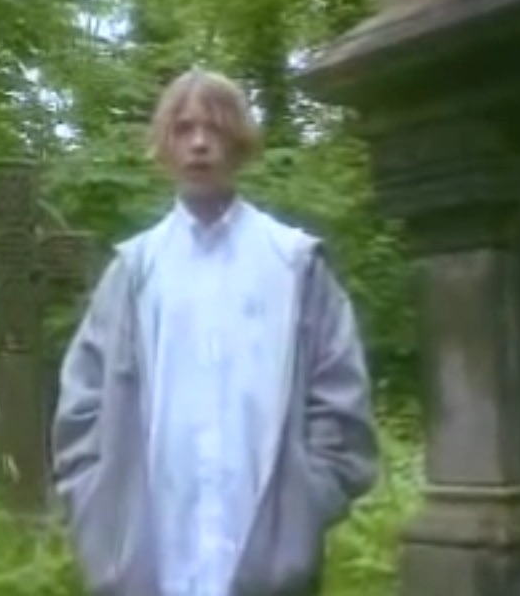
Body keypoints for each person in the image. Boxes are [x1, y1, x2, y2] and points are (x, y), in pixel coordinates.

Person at [50, 68, 379, 596]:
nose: (199, 143)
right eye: (183, 128)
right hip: (151, 562)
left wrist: (307, 501)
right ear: (165, 144)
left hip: (269, 560)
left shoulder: (293, 264)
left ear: (240, 142)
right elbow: (81, 408)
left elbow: (340, 395)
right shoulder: (135, 272)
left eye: (215, 128)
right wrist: (99, 509)